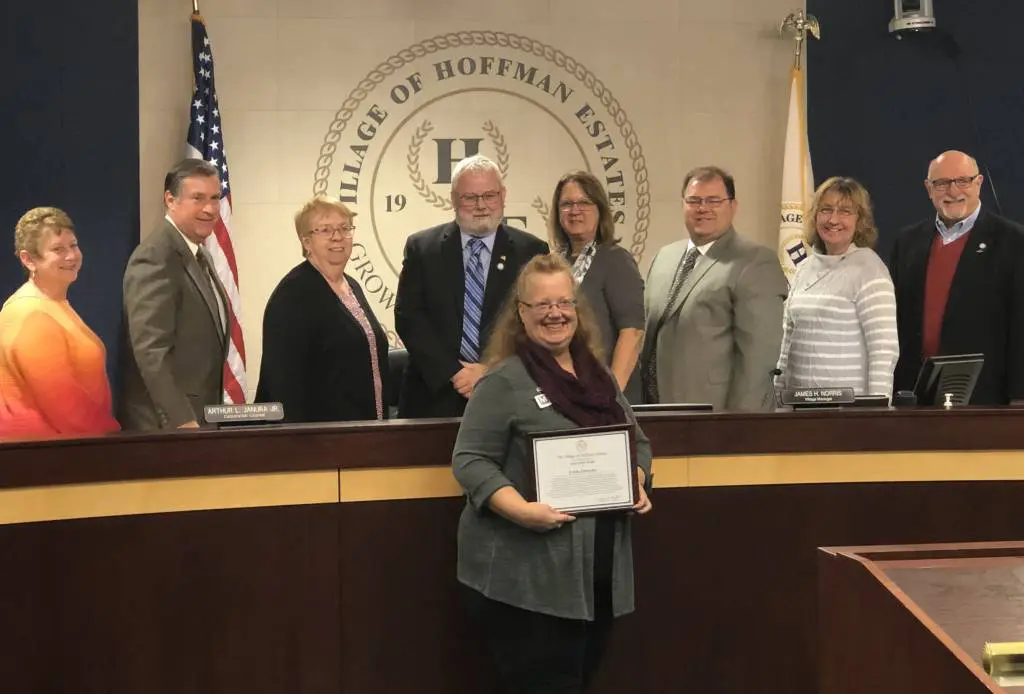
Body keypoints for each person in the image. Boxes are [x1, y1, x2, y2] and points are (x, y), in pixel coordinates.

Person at [453, 253, 652, 694]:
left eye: (564, 302)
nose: (555, 313)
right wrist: (521, 511)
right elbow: (470, 460)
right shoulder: (503, 381)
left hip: (596, 576)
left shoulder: (599, 378)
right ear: (521, 314)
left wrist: (636, 480)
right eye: (541, 304)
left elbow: (637, 444)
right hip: (528, 581)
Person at [395, 154, 548, 418]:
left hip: (506, 394)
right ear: (454, 199)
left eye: (489, 195)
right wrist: (455, 373)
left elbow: (538, 322)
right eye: (470, 197)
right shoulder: (423, 248)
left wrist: (491, 371)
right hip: (433, 395)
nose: (481, 206)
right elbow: (409, 317)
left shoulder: (531, 251)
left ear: (503, 196)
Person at [640, 165, 788, 410]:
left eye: (713, 200)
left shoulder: (755, 261)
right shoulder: (664, 257)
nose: (703, 208)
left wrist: (736, 426)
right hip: (654, 412)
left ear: (733, 206)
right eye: (694, 200)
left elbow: (757, 361)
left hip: (713, 415)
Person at [889, 150, 1024, 405]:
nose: (953, 191)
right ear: (929, 189)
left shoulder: (1014, 242)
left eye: (963, 181)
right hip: (915, 397)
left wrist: (1020, 397)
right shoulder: (907, 242)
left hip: (985, 399)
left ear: (979, 183)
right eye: (942, 183)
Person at [255, 196, 389, 422]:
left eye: (344, 228)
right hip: (319, 434)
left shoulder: (351, 286)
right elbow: (283, 381)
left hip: (364, 429)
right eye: (325, 230)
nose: (337, 236)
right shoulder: (293, 294)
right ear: (306, 242)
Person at [119, 159, 229, 429]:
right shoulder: (156, 256)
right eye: (198, 198)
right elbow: (151, 351)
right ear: (170, 200)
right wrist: (183, 420)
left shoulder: (200, 254)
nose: (209, 209)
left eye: (215, 198)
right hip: (170, 428)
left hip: (201, 421)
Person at [0, 207, 119, 438]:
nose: (71, 256)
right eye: (58, 249)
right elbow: (69, 411)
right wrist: (115, 440)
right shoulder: (30, 315)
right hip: (44, 454)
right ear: (28, 259)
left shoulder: (54, 304)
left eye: (73, 245)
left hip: (68, 449)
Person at [776, 177, 899, 399]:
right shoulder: (804, 269)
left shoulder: (870, 269)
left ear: (860, 220)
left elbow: (883, 351)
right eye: (826, 209)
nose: (833, 219)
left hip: (848, 411)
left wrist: (876, 410)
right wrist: (777, 399)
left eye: (845, 211)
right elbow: (786, 346)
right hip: (797, 406)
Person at [548, 171, 645, 402]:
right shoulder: (556, 263)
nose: (575, 210)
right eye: (567, 204)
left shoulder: (616, 260)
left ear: (600, 209)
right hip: (566, 392)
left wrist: (612, 394)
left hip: (606, 397)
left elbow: (632, 332)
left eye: (584, 202)